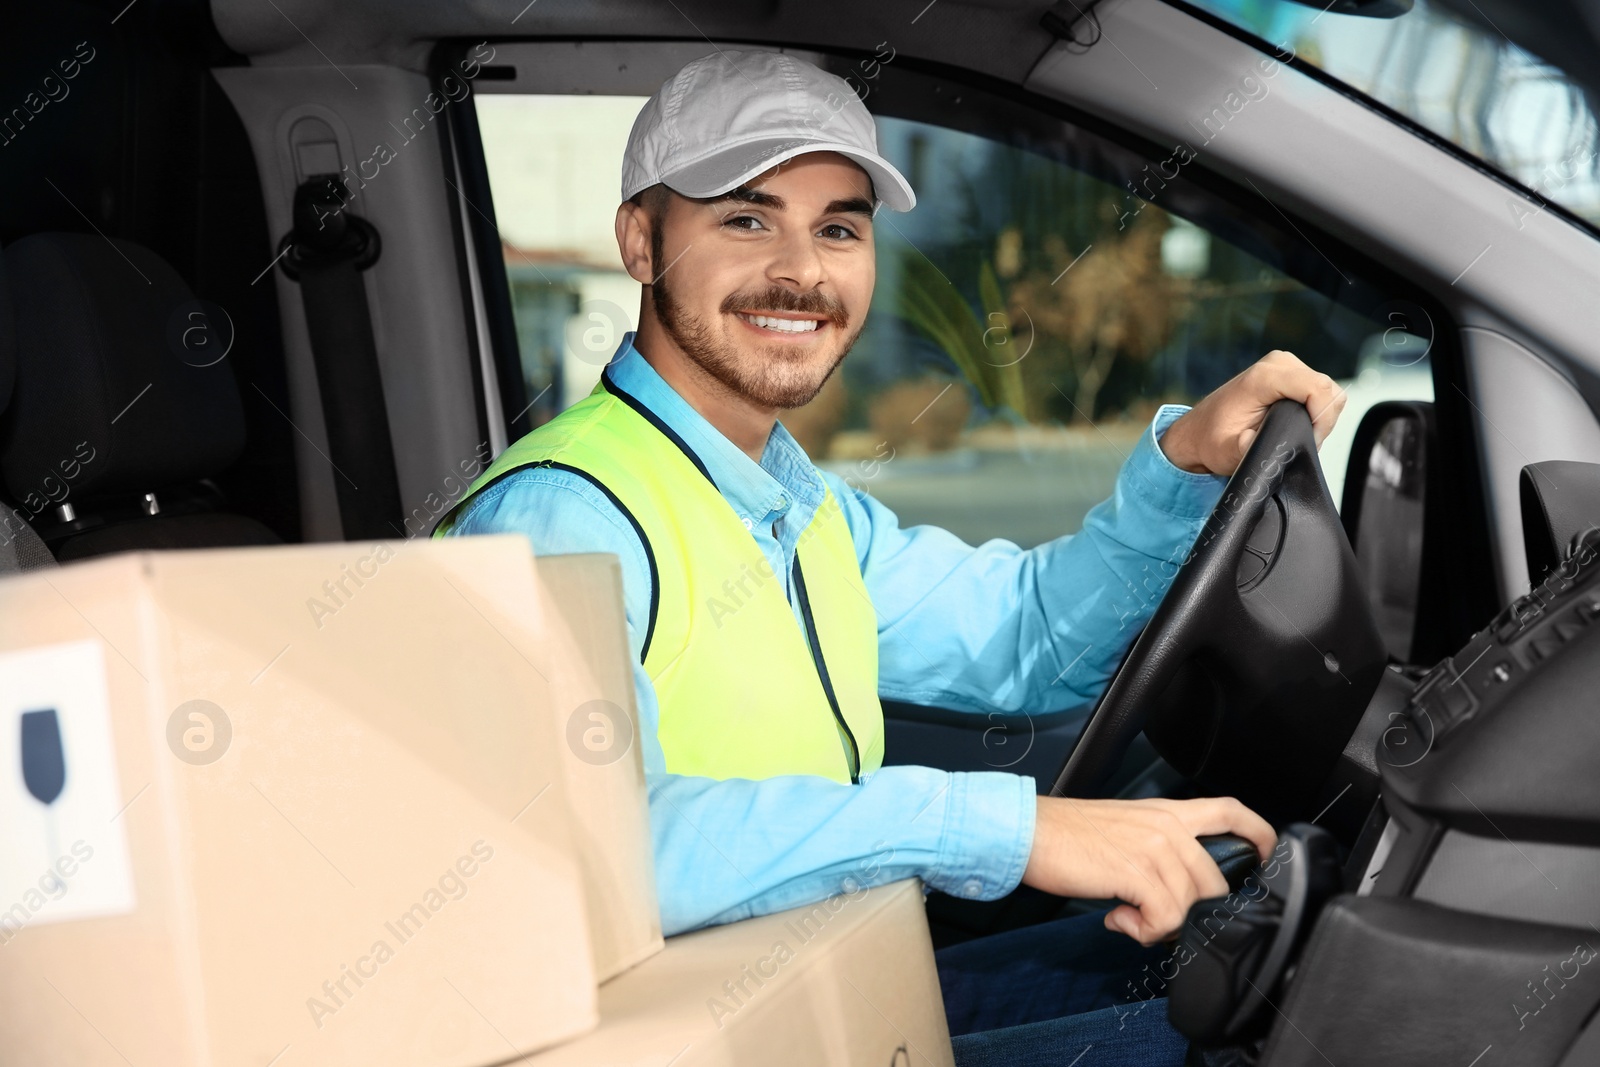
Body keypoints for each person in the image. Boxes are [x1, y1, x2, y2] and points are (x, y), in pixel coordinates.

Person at [435, 49, 1345, 1064]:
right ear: (641, 243)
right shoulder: (561, 514)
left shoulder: (800, 506)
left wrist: (1181, 463)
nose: (801, 269)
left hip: (818, 990)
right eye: (746, 218)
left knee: (1251, 981)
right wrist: (1008, 827)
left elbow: (1027, 633)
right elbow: (595, 850)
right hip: (687, 1038)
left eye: (838, 226)